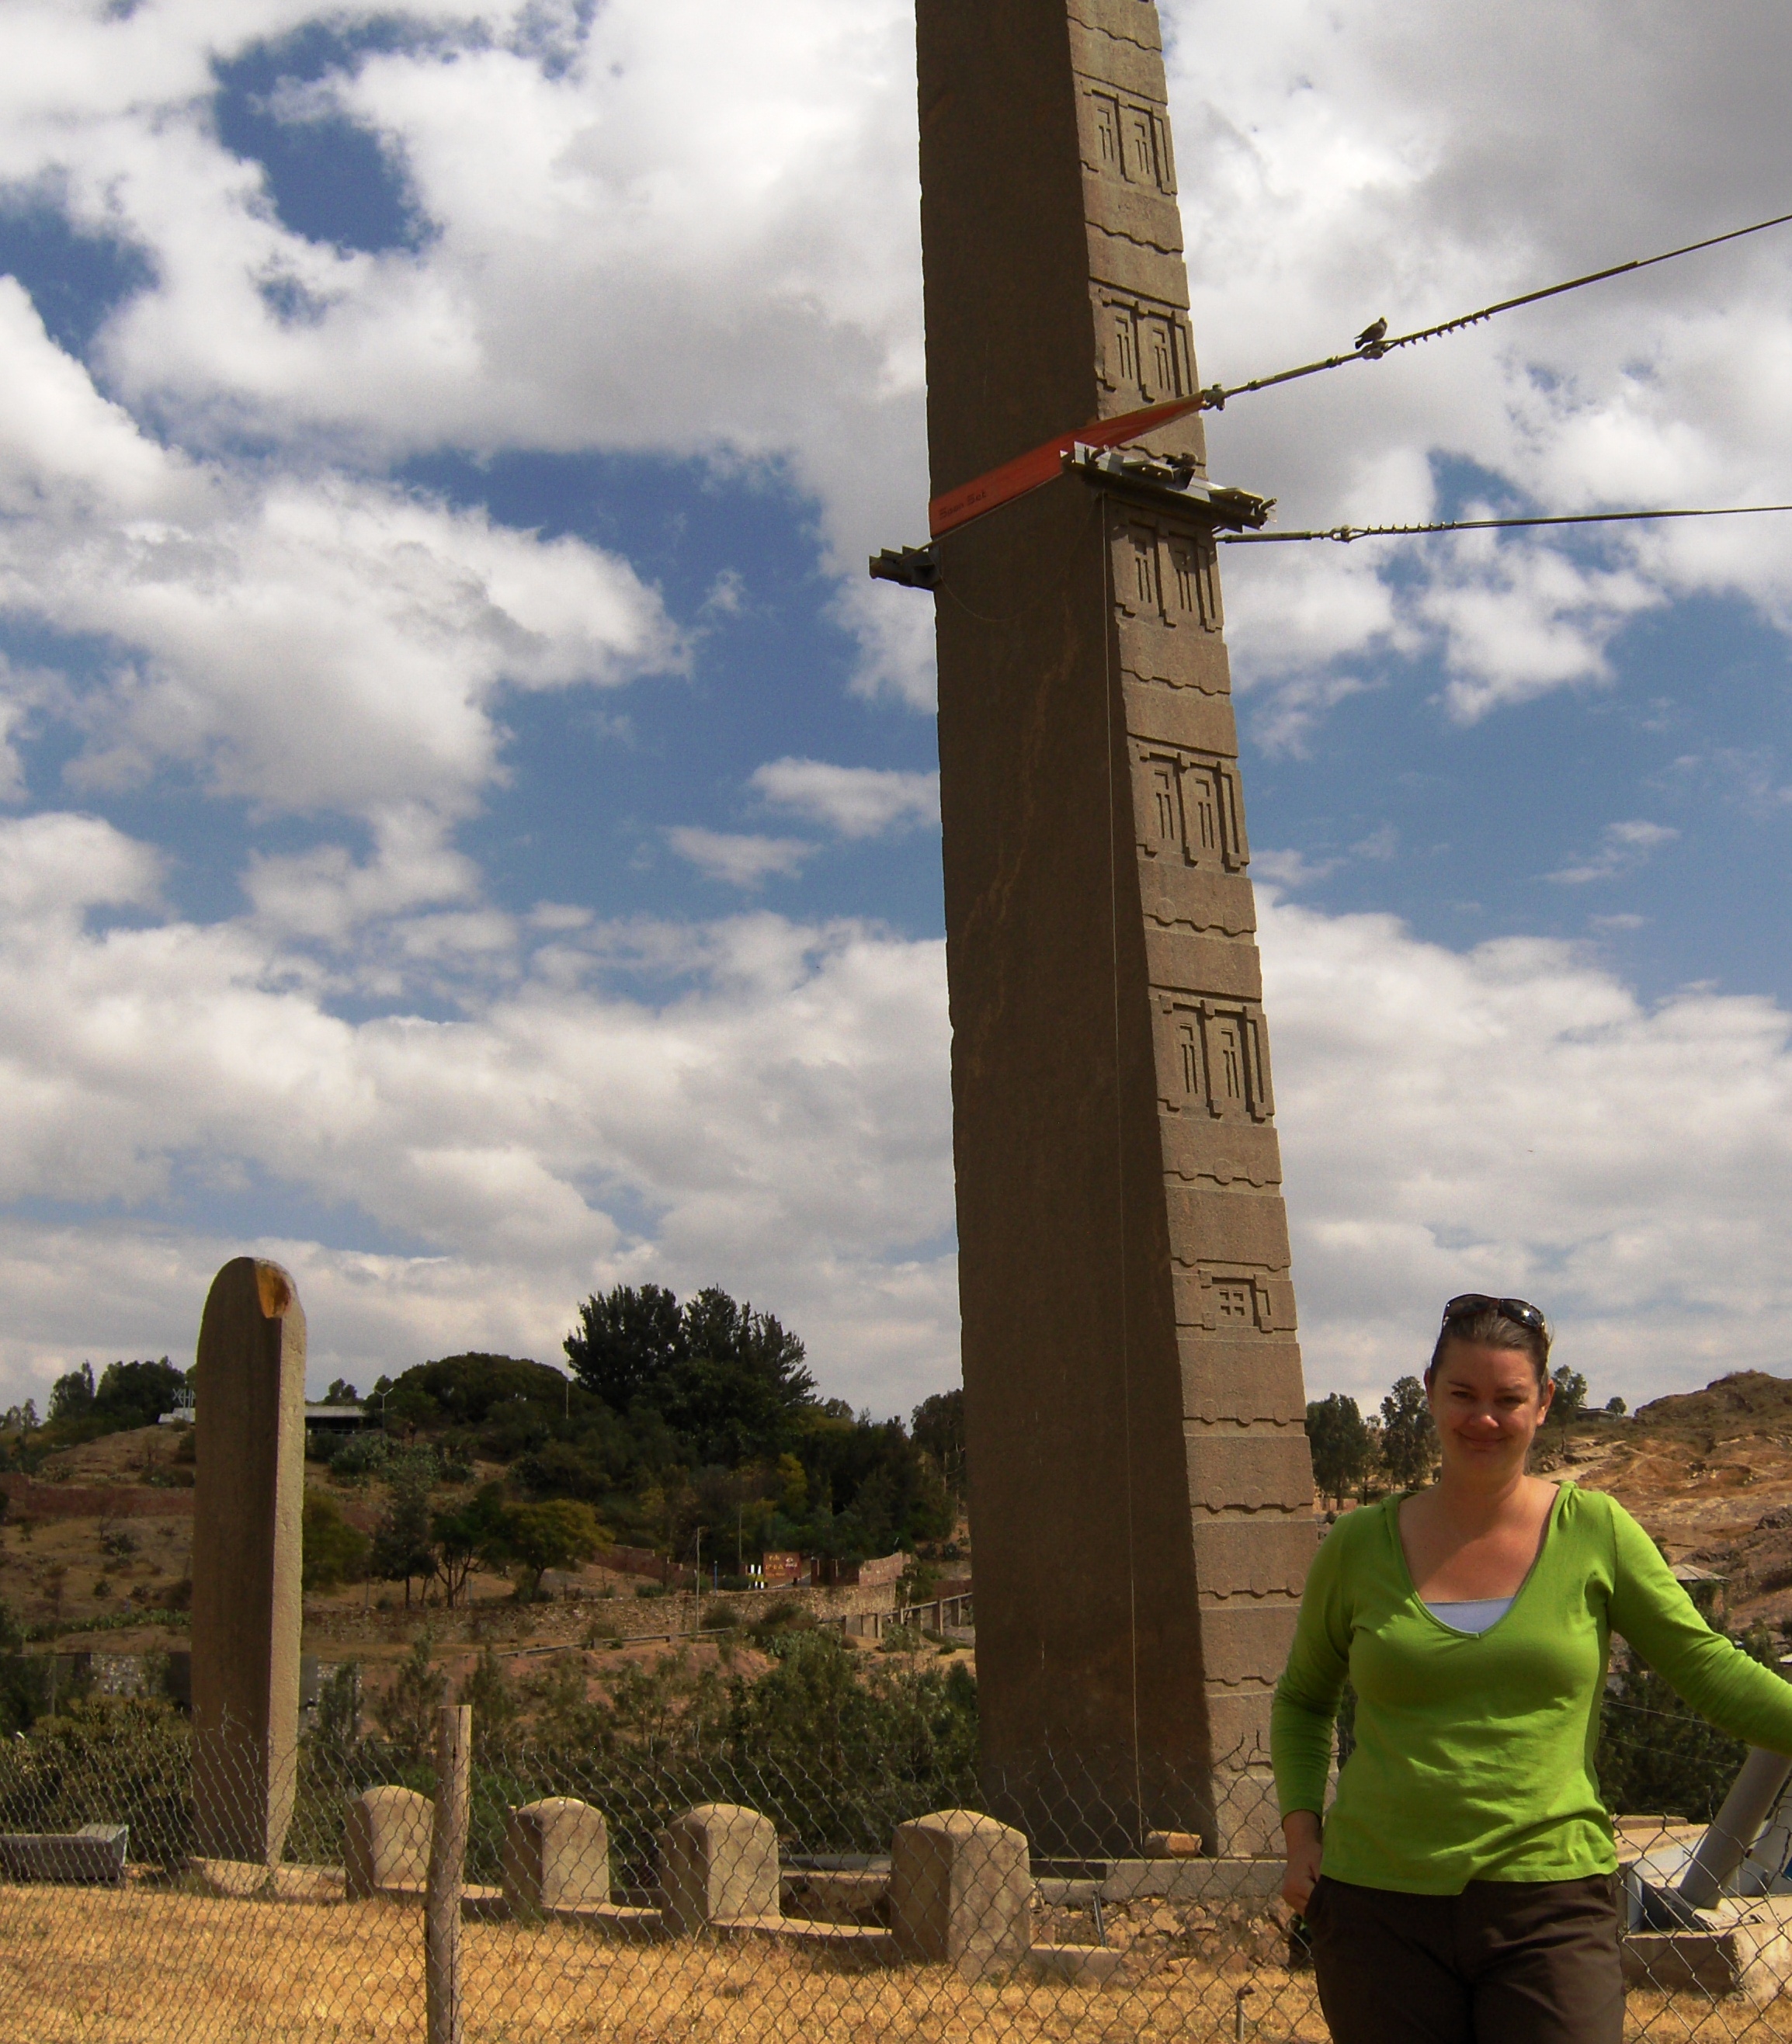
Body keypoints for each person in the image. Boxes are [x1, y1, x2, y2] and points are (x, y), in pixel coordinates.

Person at [1273, 1293, 1792, 2044]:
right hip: (1376, 1908)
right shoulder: (1356, 1545)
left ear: (1544, 1402)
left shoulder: (1597, 1530)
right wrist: (1301, 1839)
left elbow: (1707, 1667)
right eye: (1464, 1395)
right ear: (1429, 1392)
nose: (1484, 1418)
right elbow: (1301, 1700)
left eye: (1508, 1398)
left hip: (1551, 1902)